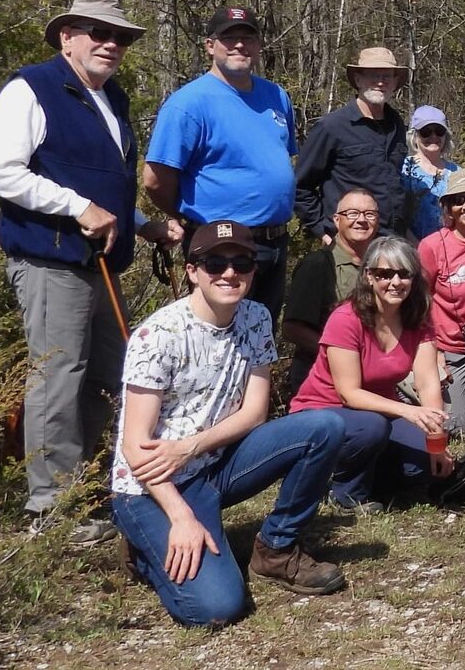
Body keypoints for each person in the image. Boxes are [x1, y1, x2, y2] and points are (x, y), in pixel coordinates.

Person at [0, 0, 178, 543]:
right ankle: (49, 506)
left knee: (112, 376)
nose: (111, 44)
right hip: (50, 258)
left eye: (121, 37)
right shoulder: (32, 88)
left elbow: (100, 189)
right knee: (58, 377)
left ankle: (86, 486)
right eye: (97, 32)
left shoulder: (112, 97)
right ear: (66, 35)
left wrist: (143, 224)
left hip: (102, 264)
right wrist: (74, 207)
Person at [111, 221, 347, 627]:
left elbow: (254, 413)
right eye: (214, 263)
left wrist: (191, 447)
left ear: (254, 271)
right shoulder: (158, 335)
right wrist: (182, 517)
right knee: (216, 608)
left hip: (212, 464)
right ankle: (144, 548)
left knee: (325, 426)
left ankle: (276, 547)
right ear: (192, 271)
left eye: (241, 263)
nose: (228, 273)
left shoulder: (255, 318)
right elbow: (135, 446)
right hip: (150, 485)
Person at [143, 7, 297, 318]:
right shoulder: (189, 103)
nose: (240, 45)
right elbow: (155, 179)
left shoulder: (277, 97)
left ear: (258, 45)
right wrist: (189, 216)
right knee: (219, 340)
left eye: (247, 37)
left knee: (260, 335)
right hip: (221, 249)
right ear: (210, 45)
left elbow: (280, 160)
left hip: (275, 241)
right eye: (229, 37)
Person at [287, 236, 451, 514]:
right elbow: (348, 394)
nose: (395, 282)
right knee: (372, 428)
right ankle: (344, 494)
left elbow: (426, 381)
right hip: (323, 413)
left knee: (424, 463)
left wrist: (436, 440)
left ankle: (362, 474)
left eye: (404, 274)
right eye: (384, 274)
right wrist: (408, 412)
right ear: (369, 277)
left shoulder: (417, 319)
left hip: (379, 413)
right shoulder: (346, 319)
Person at [294, 47, 410, 241]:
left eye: (387, 76)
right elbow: (299, 187)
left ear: (395, 82)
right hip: (348, 243)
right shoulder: (331, 127)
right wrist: (322, 230)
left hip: (390, 242)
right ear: (358, 80)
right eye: (373, 75)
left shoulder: (397, 125)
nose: (380, 82)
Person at [416, 171, 465, 433]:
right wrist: (433, 352)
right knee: (457, 425)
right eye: (459, 200)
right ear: (448, 208)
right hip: (453, 346)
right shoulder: (432, 246)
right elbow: (418, 301)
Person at [283, 190, 381, 395]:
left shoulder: (383, 267)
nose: (361, 220)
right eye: (352, 213)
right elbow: (292, 328)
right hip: (320, 381)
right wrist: (340, 356)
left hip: (374, 373)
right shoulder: (317, 265)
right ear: (337, 220)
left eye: (369, 214)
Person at [400, 105, 461, 239]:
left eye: (439, 131)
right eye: (426, 132)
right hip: (411, 248)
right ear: (414, 136)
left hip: (450, 248)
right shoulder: (403, 170)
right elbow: (398, 215)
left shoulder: (457, 173)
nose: (433, 136)